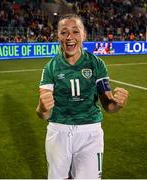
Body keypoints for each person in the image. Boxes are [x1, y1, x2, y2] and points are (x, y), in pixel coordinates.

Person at [36, 13, 128, 179]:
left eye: (75, 31)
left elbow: (109, 106)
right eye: (64, 32)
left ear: (84, 34)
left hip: (90, 132)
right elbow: (44, 114)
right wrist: (43, 108)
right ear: (57, 36)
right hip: (58, 131)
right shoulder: (50, 67)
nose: (70, 37)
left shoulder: (96, 64)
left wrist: (118, 104)